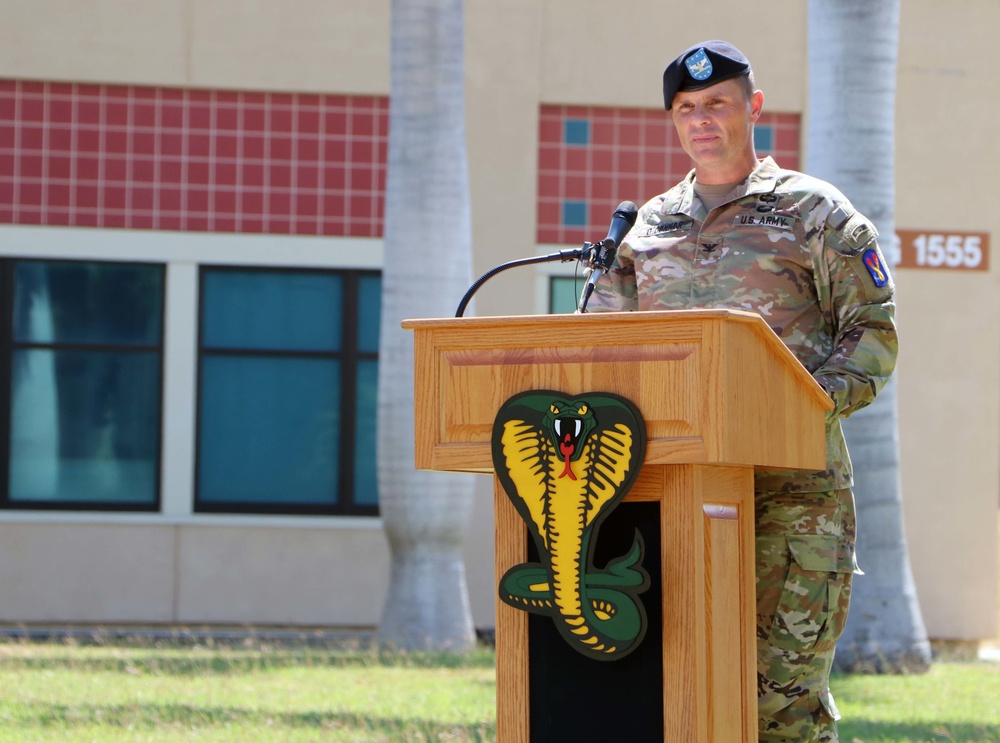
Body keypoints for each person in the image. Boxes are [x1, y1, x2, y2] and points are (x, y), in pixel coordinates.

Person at [588, 40, 897, 742]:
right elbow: (603, 345)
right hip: (673, 494)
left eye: (718, 103)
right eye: (687, 108)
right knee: (678, 694)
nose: (702, 120)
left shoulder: (813, 212)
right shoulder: (647, 227)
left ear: (753, 108)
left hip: (794, 500)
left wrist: (801, 407)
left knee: (781, 704)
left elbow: (873, 332)